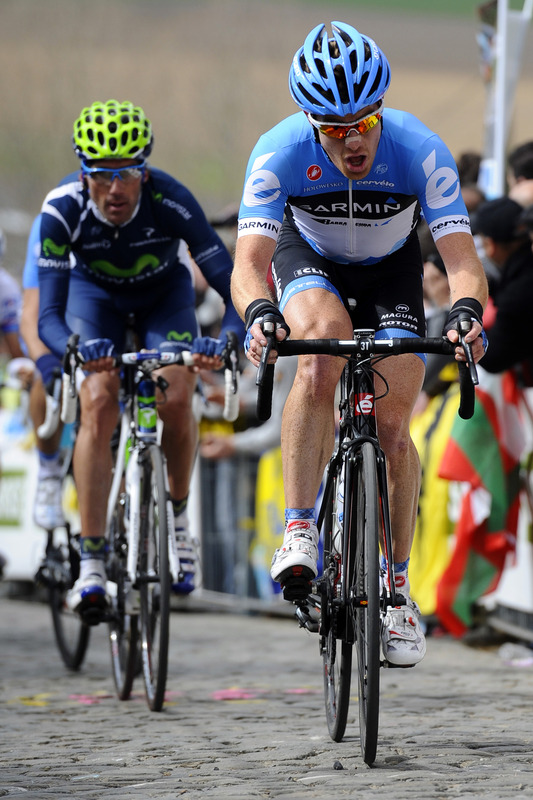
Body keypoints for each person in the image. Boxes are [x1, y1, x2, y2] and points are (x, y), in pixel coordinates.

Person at [231, 22, 488, 667]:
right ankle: (299, 529)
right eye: (334, 129)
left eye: (365, 122)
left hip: (390, 271)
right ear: (311, 123)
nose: (353, 140)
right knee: (320, 348)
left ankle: (397, 589)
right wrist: (259, 311)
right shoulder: (278, 151)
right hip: (309, 259)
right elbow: (247, 262)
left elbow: (462, 260)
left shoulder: (420, 149)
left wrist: (463, 314)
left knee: (396, 431)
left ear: (382, 110)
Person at [37, 99, 242, 621]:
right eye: (101, 175)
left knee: (176, 394)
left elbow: (230, 281)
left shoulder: (170, 198)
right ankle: (91, 561)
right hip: (93, 302)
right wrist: (76, 348)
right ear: (84, 173)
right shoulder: (61, 209)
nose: (114, 188)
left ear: (143, 170)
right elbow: (49, 317)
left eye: (126, 173)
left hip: (162, 297)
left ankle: (176, 521)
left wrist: (233, 333)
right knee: (99, 403)